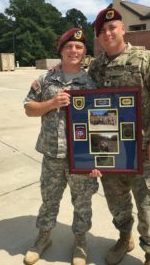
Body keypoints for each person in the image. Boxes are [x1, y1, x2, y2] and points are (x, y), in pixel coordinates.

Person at [89, 7, 150, 265]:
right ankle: (125, 238)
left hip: (143, 149)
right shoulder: (95, 68)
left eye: (112, 27)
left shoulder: (144, 60)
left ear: (123, 29)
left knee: (147, 205)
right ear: (98, 38)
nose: (108, 33)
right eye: (102, 31)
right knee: (117, 202)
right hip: (110, 150)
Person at [23, 28, 99, 265]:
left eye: (79, 47)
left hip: (82, 157)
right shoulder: (46, 80)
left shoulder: (91, 83)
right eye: (69, 47)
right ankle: (44, 237)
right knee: (49, 199)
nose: (74, 50)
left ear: (84, 52)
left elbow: (103, 122)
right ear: (61, 50)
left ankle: (80, 243)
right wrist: (52, 102)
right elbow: (28, 108)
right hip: (52, 154)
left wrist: (100, 159)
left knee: (82, 202)